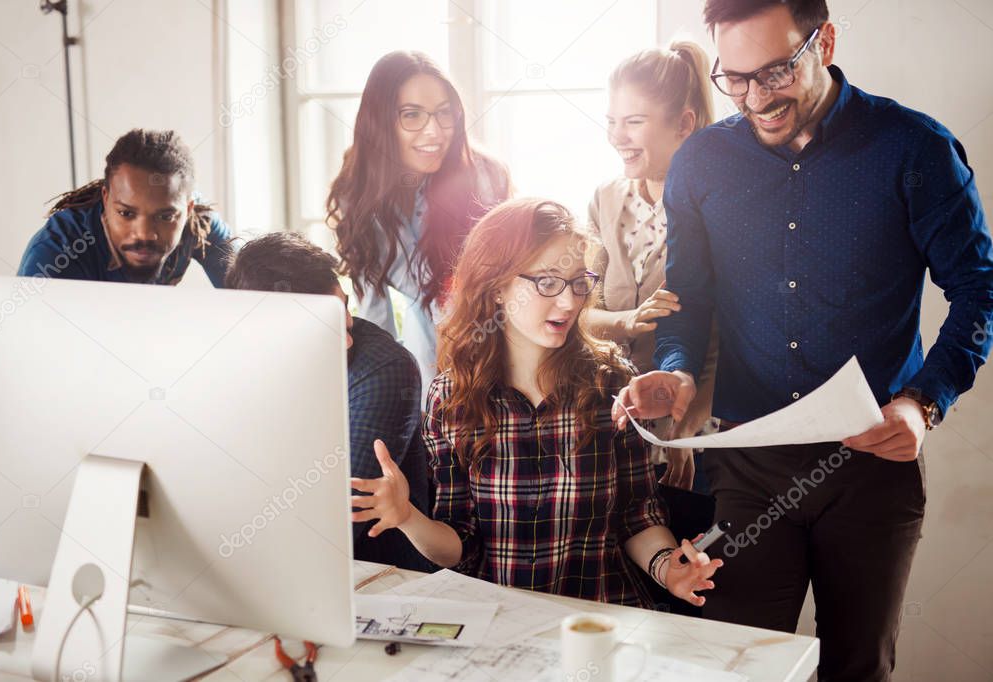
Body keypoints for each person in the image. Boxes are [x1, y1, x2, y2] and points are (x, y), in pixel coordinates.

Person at [612, 1, 992, 679]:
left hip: (872, 465)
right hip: (748, 464)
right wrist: (675, 370)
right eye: (736, 78)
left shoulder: (915, 150)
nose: (757, 99)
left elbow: (978, 288)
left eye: (775, 73)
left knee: (857, 668)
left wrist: (923, 403)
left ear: (825, 41)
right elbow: (688, 300)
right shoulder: (701, 163)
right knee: (738, 666)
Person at [351, 198, 722, 608]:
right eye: (547, 282)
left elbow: (637, 515)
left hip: (601, 617)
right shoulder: (452, 398)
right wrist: (407, 517)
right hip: (499, 623)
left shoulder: (611, 383)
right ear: (496, 287)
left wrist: (668, 567)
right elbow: (459, 546)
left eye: (579, 283)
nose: (568, 302)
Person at [224, 231, 431, 571]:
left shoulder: (385, 369)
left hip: (383, 576)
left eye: (344, 307)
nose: (348, 337)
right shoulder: (234, 364)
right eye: (324, 322)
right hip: (267, 566)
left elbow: (337, 526)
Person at [326, 51, 511, 393]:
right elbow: (373, 313)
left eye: (444, 114)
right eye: (411, 115)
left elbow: (511, 292)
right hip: (423, 360)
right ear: (380, 121)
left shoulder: (484, 179)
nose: (435, 132)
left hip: (493, 356)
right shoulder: (359, 193)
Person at [586, 41, 719, 492]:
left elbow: (726, 341)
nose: (617, 136)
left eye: (633, 122)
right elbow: (579, 312)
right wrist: (628, 320)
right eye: (611, 122)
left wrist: (682, 436)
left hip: (697, 437)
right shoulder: (605, 200)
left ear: (684, 124)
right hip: (615, 433)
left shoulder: (719, 205)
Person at [18, 129, 233, 286]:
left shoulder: (200, 225)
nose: (144, 234)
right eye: (126, 213)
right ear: (105, 199)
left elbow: (251, 301)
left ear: (188, 209)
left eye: (165, 217)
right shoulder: (56, 254)